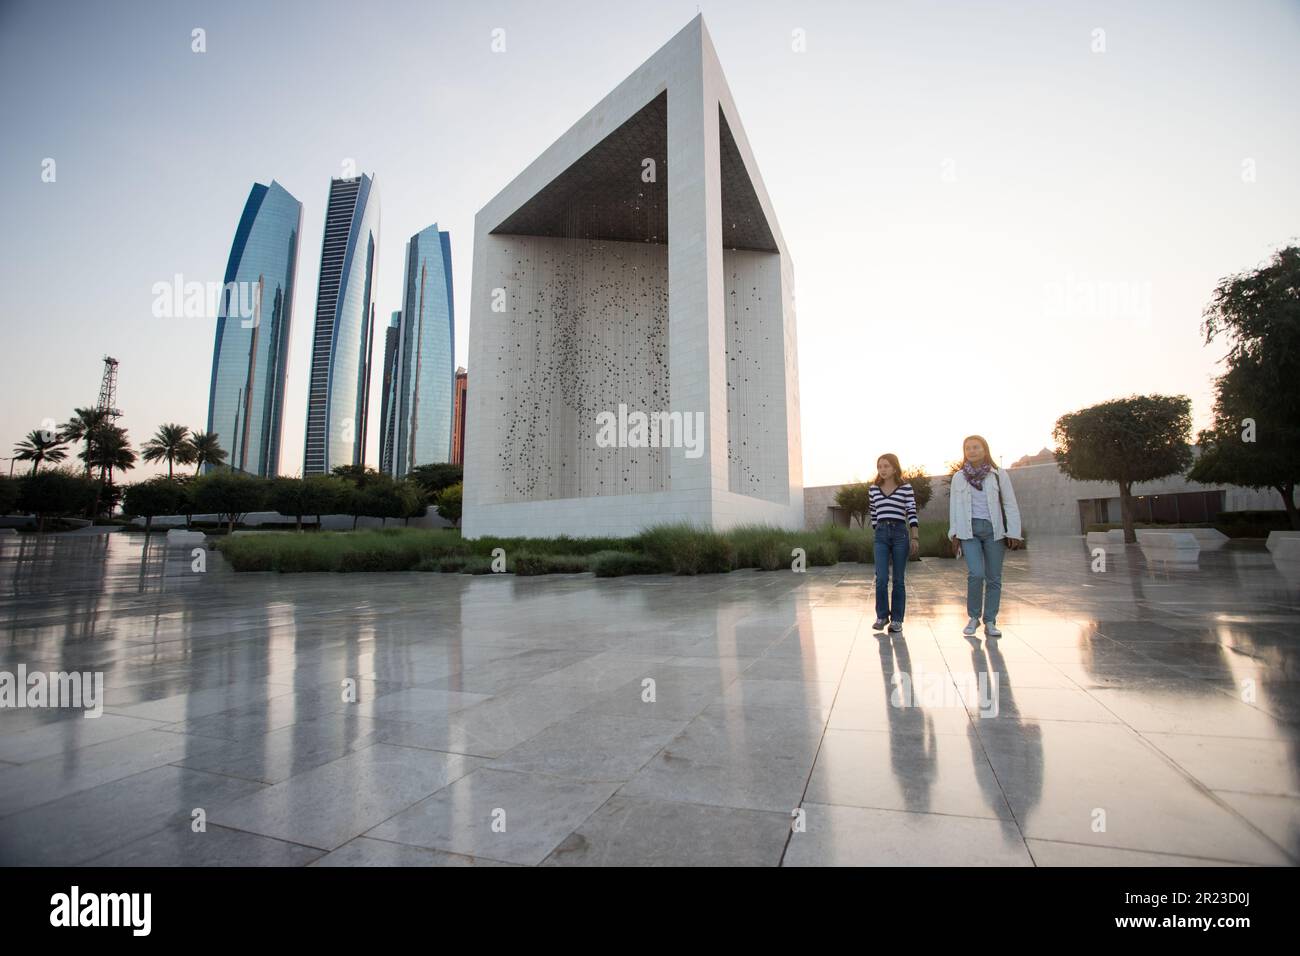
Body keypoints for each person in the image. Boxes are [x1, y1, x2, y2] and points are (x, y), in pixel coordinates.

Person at [948, 435, 1023, 638]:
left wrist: (1014, 532)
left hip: (994, 531)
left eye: (976, 447)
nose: (972, 451)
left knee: (994, 577)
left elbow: (1009, 503)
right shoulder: (959, 477)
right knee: (976, 574)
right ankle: (974, 617)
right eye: (968, 448)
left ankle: (990, 621)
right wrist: (954, 533)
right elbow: (954, 507)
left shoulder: (998, 474)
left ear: (984, 449)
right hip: (969, 531)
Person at [869, 453, 919, 633]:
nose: (882, 469)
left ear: (895, 468)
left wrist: (915, 537)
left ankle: (897, 619)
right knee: (881, 578)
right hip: (881, 535)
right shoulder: (873, 489)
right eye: (880, 466)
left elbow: (912, 513)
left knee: (899, 579)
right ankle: (882, 616)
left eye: (886, 466)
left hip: (900, 534)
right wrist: (878, 532)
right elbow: (874, 515)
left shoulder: (906, 488)